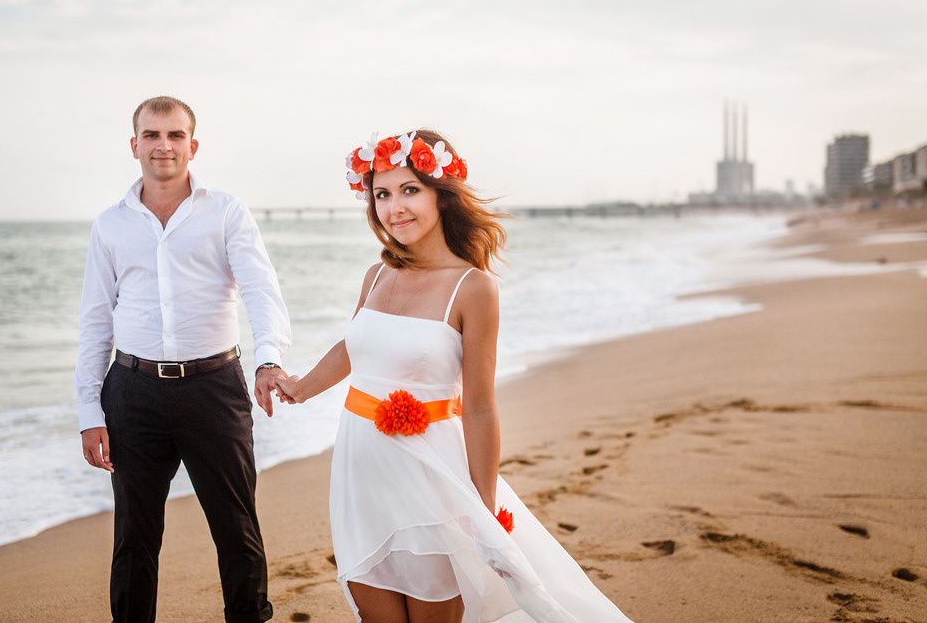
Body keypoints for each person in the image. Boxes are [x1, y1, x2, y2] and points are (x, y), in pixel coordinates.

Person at [275, 130, 632, 622]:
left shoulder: (474, 288)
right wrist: (299, 388)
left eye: (410, 190)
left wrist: (484, 512)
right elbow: (353, 347)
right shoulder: (376, 275)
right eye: (382, 194)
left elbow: (480, 407)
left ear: (441, 196)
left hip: (431, 476)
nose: (395, 207)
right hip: (360, 473)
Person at [75, 96, 291, 623]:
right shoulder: (110, 224)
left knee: (236, 528)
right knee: (133, 536)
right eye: (152, 135)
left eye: (175, 135)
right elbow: (96, 321)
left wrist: (268, 361)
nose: (163, 145)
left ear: (193, 146)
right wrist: (89, 411)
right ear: (135, 145)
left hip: (214, 388)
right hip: (132, 392)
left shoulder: (227, 211)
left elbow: (261, 291)